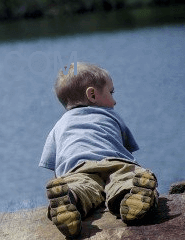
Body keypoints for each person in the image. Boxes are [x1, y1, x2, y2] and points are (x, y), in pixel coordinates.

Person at [39, 62, 158, 238]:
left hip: (78, 169)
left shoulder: (58, 126)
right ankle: (131, 194)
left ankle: (71, 198)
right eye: (111, 92)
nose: (114, 100)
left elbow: (53, 165)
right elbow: (128, 151)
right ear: (92, 94)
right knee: (127, 179)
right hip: (116, 163)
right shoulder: (111, 115)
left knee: (82, 188)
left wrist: (65, 183)